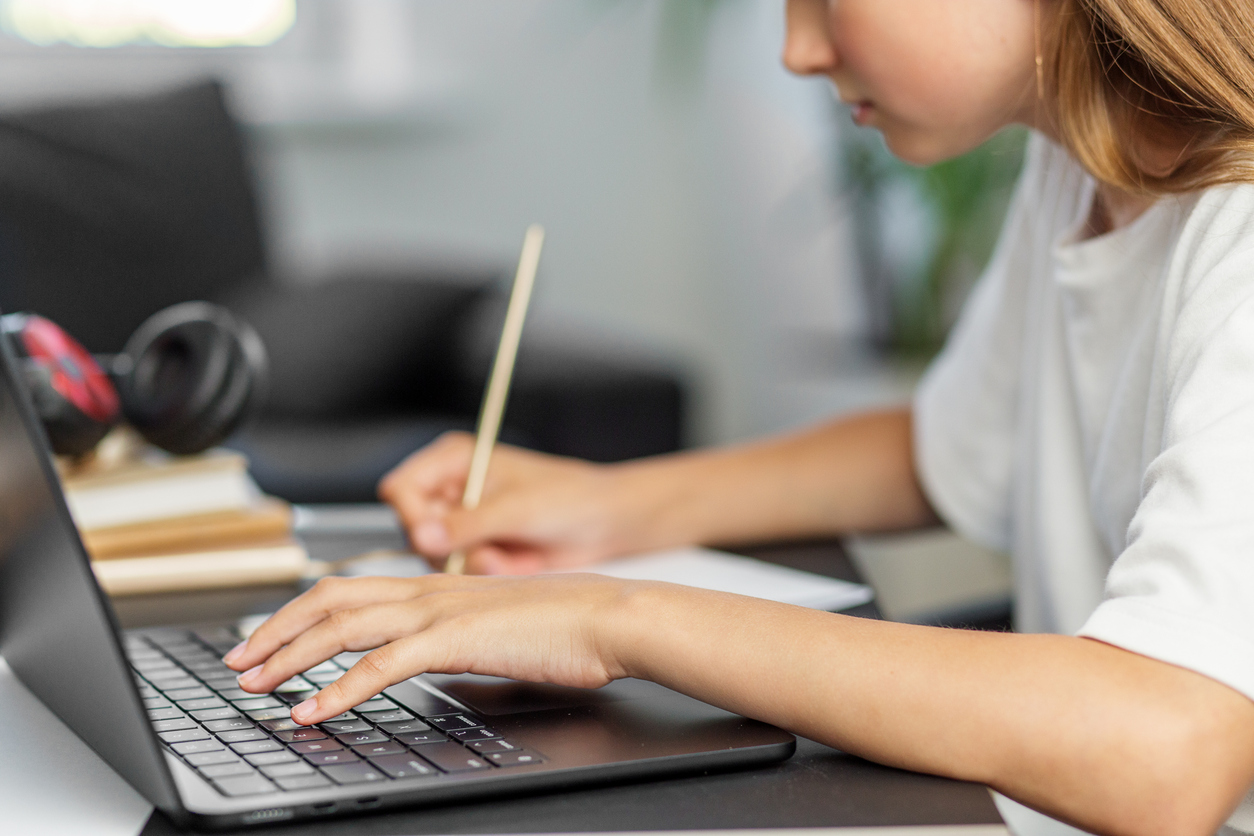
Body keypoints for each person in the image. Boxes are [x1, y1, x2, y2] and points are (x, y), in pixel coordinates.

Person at [225, 2, 1254, 833]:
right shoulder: (1082, 165)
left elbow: (1167, 747)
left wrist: (612, 617)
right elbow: (950, 447)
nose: (798, 50)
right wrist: (607, 505)